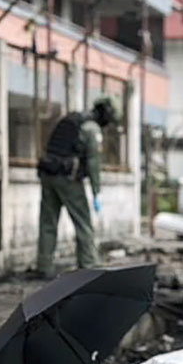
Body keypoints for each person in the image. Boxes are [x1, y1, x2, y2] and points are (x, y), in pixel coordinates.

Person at [32, 97, 117, 279]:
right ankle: (88, 265)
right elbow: (94, 163)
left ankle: (44, 265)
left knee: (48, 222)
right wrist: (96, 192)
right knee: (83, 222)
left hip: (48, 173)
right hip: (67, 178)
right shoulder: (91, 129)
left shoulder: (73, 119)